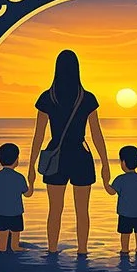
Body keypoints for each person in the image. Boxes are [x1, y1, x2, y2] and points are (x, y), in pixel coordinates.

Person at [26, 49, 110, 256]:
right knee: (82, 211)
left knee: (55, 210)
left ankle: (52, 251)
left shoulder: (48, 98)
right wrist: (106, 164)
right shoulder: (87, 98)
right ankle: (82, 252)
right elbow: (97, 135)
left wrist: (31, 167)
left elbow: (38, 136)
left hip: (56, 157)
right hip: (81, 156)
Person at [106, 146, 137, 260]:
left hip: (124, 214)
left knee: (125, 234)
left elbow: (111, 192)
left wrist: (105, 182)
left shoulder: (120, 179)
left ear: (123, 162)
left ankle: (125, 250)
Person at [0, 142, 31, 253]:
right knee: (15, 235)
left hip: (1, 214)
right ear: (16, 159)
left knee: (1, 240)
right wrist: (32, 183)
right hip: (16, 213)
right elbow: (27, 194)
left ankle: (2, 249)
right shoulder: (19, 178)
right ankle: (15, 247)